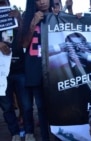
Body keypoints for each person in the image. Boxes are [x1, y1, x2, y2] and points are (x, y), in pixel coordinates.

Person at [21, 0, 54, 141]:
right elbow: (23, 44)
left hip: (55, 69)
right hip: (35, 69)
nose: (42, 2)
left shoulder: (57, 16)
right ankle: (45, 137)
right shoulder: (27, 18)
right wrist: (33, 23)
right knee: (40, 107)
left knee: (57, 105)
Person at [0, 0, 25, 141]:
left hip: (18, 69)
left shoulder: (13, 21)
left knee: (25, 103)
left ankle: (28, 131)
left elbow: (25, 39)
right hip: (1, 74)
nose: (1, 6)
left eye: (3, 3)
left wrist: (19, 19)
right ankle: (14, 133)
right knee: (7, 106)